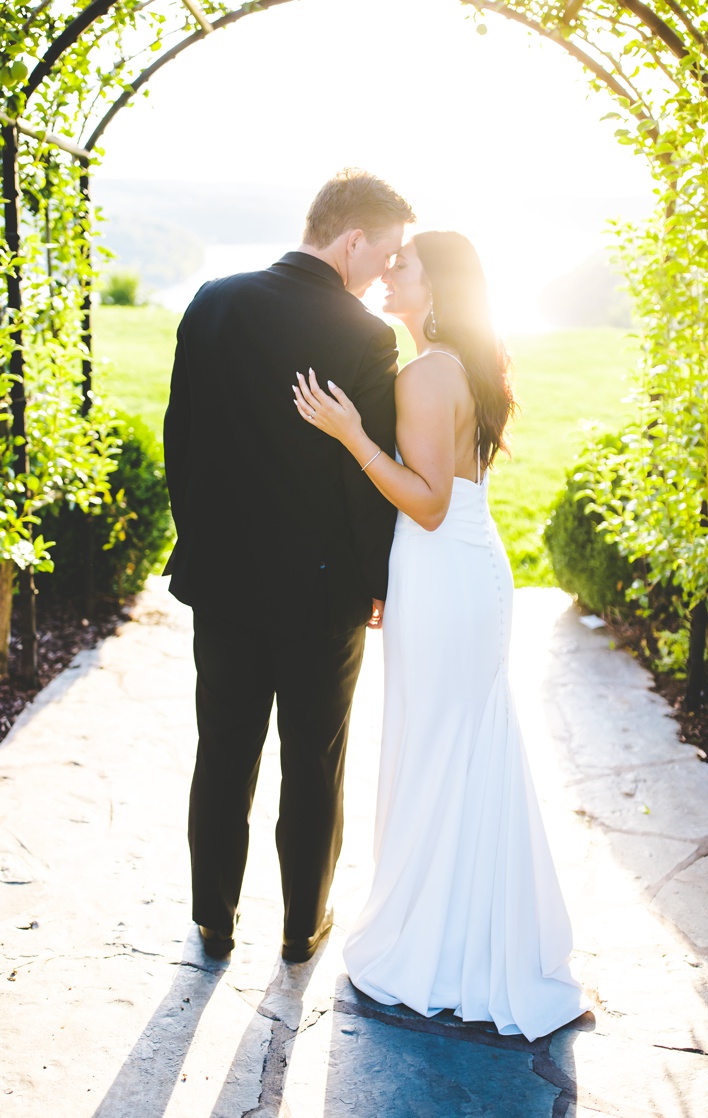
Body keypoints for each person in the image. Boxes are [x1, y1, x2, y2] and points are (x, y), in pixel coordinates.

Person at [292, 230, 586, 1039]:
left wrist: (350, 433)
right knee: (461, 749)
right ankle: (470, 943)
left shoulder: (426, 372)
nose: (390, 272)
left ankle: (435, 948)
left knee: (436, 749)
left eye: (405, 265)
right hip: (462, 566)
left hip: (443, 566)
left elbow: (424, 501)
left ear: (438, 285)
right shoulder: (467, 363)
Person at [165, 168, 413, 964]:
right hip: (322, 594)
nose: (384, 273)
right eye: (385, 254)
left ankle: (213, 918)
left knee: (223, 752)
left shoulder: (212, 302)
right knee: (314, 761)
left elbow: (181, 442)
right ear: (351, 241)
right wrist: (376, 581)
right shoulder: (367, 339)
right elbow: (361, 484)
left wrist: (202, 540)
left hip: (225, 586)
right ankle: (302, 928)